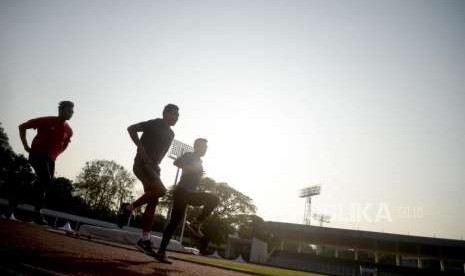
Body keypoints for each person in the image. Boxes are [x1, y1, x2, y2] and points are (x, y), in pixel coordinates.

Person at [117, 104, 179, 257]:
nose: (176, 117)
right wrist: (140, 148)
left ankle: (144, 239)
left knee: (153, 200)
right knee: (161, 191)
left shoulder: (171, 134)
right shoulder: (155, 123)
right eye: (174, 114)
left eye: (178, 115)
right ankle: (129, 208)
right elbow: (131, 128)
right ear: (165, 113)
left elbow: (160, 152)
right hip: (142, 164)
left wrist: (157, 167)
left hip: (153, 168)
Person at [7, 101, 74, 224]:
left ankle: (16, 199)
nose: (71, 113)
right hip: (37, 154)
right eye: (69, 110)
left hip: (51, 159)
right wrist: (26, 146)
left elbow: (65, 144)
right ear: (61, 110)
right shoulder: (47, 120)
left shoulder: (69, 130)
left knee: (44, 185)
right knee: (45, 180)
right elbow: (22, 126)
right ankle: (36, 213)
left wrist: (57, 153)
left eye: (72, 111)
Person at [154, 138, 219, 264]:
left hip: (188, 193)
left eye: (206, 147)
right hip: (183, 192)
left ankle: (161, 251)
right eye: (203, 147)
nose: (205, 149)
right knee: (214, 199)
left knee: (173, 223)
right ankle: (195, 224)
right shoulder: (190, 155)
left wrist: (196, 172)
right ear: (196, 146)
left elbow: (191, 174)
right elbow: (177, 162)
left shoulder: (199, 160)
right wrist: (193, 169)